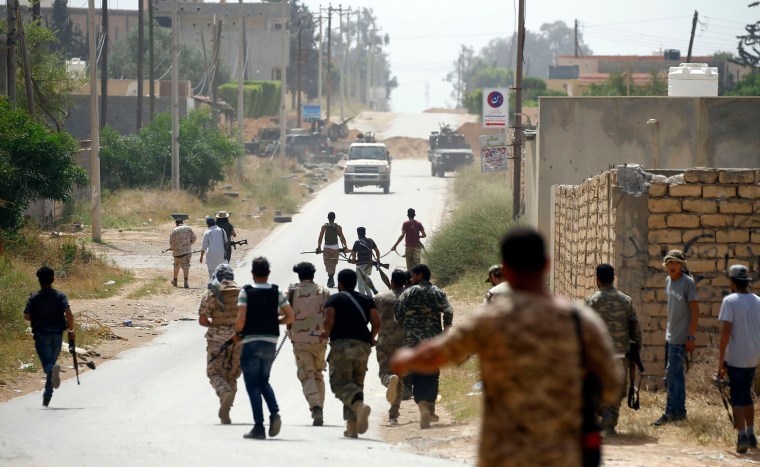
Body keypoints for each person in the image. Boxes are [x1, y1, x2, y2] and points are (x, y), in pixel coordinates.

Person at [391, 227, 621, 466]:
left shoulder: (489, 320)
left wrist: (405, 359)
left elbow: (435, 356)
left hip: (503, 453)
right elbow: (611, 385)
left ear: (505, 269)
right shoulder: (581, 321)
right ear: (547, 265)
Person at [234, 257, 295, 440]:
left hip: (251, 341)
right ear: (268, 273)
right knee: (264, 380)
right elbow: (290, 317)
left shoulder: (246, 291)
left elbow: (241, 319)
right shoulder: (276, 291)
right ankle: (274, 413)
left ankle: (259, 426)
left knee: (252, 384)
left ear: (253, 273)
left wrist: (237, 333)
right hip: (270, 340)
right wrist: (276, 321)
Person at [323, 269, 381, 438]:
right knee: (356, 384)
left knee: (339, 383)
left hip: (341, 346)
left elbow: (328, 321)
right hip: (363, 346)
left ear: (340, 283)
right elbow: (376, 322)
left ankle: (359, 407)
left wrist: (328, 333)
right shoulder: (366, 299)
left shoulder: (334, 299)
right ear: (355, 283)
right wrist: (371, 338)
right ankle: (352, 427)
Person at [394, 263, 453, 428]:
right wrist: (445, 331)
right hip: (433, 342)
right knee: (432, 374)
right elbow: (448, 311)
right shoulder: (437, 292)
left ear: (420, 275)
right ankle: (430, 406)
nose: (410, 279)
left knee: (416, 374)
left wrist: (406, 327)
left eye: (412, 276)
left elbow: (397, 315)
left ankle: (422, 407)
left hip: (412, 342)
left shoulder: (408, 293)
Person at [586, 263, 642, 436]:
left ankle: (600, 417)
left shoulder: (592, 300)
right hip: (620, 353)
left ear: (597, 279)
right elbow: (635, 329)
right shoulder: (626, 300)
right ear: (614, 279)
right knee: (617, 389)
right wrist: (635, 354)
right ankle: (610, 422)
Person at [653, 249, 700, 426]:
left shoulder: (687, 283)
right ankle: (679, 413)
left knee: (672, 375)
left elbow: (695, 311)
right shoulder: (668, 281)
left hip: (681, 338)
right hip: (670, 336)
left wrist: (691, 337)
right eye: (670, 263)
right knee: (675, 375)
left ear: (682, 265)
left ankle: (670, 412)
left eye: (676, 263)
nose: (672, 266)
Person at [717, 264, 760, 453]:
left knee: (737, 396)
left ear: (732, 282)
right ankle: (751, 433)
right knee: (747, 393)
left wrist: (721, 362)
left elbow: (726, 332)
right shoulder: (757, 301)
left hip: (736, 357)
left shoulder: (730, 301)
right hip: (753, 356)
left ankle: (742, 434)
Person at [23, 266, 76, 407]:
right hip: (57, 335)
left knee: (48, 366)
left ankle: (49, 389)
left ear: (39, 280)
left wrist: (38, 316)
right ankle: (47, 395)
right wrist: (71, 330)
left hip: (41, 336)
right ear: (53, 279)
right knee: (51, 364)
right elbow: (69, 314)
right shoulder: (60, 296)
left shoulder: (34, 297)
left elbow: (27, 316)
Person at [287, 262, 330, 426]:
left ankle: (316, 407)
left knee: (306, 375)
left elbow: (282, 311)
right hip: (320, 340)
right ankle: (320, 408)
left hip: (300, 341)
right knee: (318, 373)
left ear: (299, 275)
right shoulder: (323, 291)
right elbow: (330, 313)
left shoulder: (291, 291)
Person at [198, 263, 242, 424]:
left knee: (214, 373)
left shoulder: (211, 293)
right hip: (238, 339)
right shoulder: (243, 292)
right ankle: (227, 409)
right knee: (232, 374)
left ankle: (224, 393)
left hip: (217, 339)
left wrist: (216, 325)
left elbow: (203, 320)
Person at [374, 269, 409, 425]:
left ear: (392, 281)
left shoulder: (381, 298)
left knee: (385, 373)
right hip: (405, 342)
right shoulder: (410, 297)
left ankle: (389, 380)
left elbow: (371, 315)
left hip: (385, 341)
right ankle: (393, 414)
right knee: (400, 378)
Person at [316, 212, 348, 288]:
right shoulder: (338, 227)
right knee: (334, 263)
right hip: (336, 248)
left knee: (328, 263)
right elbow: (342, 238)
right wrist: (345, 247)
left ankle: (330, 278)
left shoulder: (324, 226)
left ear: (328, 218)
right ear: (334, 218)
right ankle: (331, 278)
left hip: (327, 248)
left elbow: (320, 237)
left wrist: (319, 247)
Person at [350, 227, 381, 297]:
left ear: (358, 233)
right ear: (365, 233)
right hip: (369, 265)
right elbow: (377, 251)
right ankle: (369, 296)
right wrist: (378, 260)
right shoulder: (370, 241)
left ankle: (362, 298)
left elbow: (353, 252)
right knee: (365, 280)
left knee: (360, 282)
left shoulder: (357, 242)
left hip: (360, 265)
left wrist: (353, 259)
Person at [169, 218, 197, 288]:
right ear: (182, 222)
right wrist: (189, 244)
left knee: (176, 266)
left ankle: (175, 281)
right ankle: (186, 282)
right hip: (187, 252)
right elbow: (194, 238)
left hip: (177, 252)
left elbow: (171, 242)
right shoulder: (188, 228)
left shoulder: (175, 230)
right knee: (186, 266)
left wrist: (172, 248)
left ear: (176, 224)